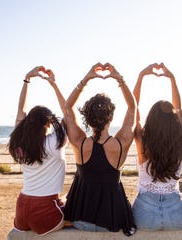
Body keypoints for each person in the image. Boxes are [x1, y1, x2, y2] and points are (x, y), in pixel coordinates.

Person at [63, 63, 137, 236]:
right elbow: (133, 108)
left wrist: (86, 79)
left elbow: (67, 108)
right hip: (112, 221)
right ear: (111, 117)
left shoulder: (80, 143)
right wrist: (119, 79)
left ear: (87, 120)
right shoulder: (121, 143)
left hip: (81, 220)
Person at [8, 66, 67, 235]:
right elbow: (68, 112)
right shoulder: (55, 142)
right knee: (73, 199)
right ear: (48, 124)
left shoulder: (19, 142)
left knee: (66, 198)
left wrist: (27, 79)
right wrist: (54, 85)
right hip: (45, 209)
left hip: (22, 208)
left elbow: (20, 111)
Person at [131, 63, 182, 230]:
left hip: (145, 216)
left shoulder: (143, 141)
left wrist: (141, 76)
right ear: (175, 122)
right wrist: (172, 78)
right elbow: (178, 110)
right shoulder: (181, 140)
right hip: (175, 217)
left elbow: (133, 110)